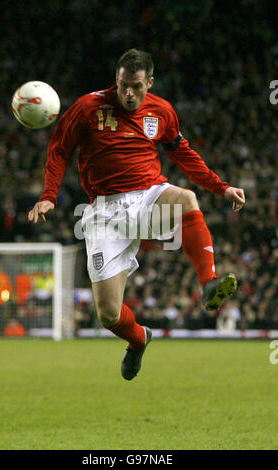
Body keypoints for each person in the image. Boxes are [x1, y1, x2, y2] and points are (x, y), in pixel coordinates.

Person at [28, 49, 245, 380]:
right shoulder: (88, 107)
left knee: (186, 199)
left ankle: (209, 283)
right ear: (116, 79)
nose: (129, 93)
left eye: (137, 86)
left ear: (150, 82)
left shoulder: (162, 112)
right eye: (124, 85)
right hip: (104, 211)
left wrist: (222, 187)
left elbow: (183, 154)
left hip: (147, 197)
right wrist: (48, 196)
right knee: (109, 314)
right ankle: (139, 339)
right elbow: (59, 150)